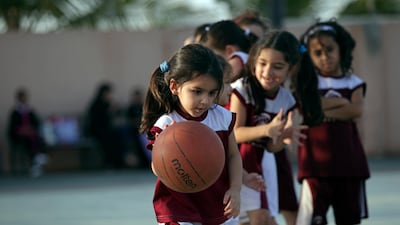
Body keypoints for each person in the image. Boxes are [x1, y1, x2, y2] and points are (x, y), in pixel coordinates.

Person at [140, 44, 244, 225]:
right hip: (177, 207)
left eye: (212, 93)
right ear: (174, 86)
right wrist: (169, 158)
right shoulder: (168, 124)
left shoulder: (222, 117)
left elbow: (234, 155)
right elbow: (157, 167)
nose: (205, 100)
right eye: (197, 91)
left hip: (217, 203)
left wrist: (235, 189)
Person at [230, 30, 317, 225]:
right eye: (262, 64)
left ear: (291, 69)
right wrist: (266, 130)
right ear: (254, 61)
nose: (267, 72)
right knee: (259, 219)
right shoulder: (242, 89)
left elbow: (271, 147)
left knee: (264, 219)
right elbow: (233, 133)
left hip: (263, 164)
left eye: (277, 67)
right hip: (236, 162)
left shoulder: (287, 99)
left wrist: (283, 138)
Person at [296, 19, 370, 225]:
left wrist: (322, 108)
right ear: (309, 56)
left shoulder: (352, 82)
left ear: (341, 49)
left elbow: (356, 110)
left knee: (348, 218)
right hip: (315, 166)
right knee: (313, 220)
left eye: (329, 49)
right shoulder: (307, 82)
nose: (325, 56)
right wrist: (340, 103)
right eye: (317, 53)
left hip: (349, 164)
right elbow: (309, 110)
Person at [7, 87, 48, 177]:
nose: (24, 99)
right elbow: (12, 127)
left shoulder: (30, 110)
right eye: (22, 97)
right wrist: (22, 130)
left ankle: (40, 157)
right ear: (18, 98)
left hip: (30, 133)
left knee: (39, 138)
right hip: (19, 136)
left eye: (25, 97)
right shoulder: (15, 112)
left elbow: (37, 122)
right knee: (28, 140)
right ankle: (36, 160)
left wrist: (31, 128)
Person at [86, 82, 125, 169]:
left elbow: (117, 114)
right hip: (97, 130)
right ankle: (109, 162)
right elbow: (97, 119)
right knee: (108, 139)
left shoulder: (108, 103)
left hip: (107, 129)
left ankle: (118, 162)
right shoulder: (96, 104)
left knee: (117, 136)